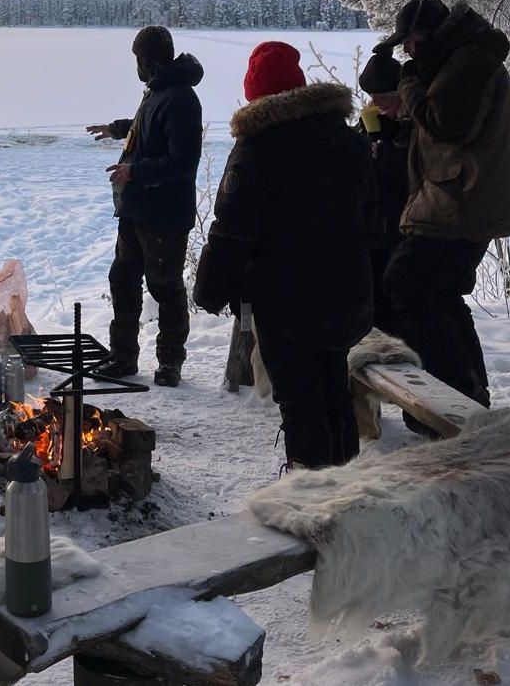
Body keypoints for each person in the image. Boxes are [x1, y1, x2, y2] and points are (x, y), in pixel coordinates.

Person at [194, 41, 374, 469]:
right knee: (333, 389)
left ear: (255, 94)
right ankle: (346, 488)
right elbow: (370, 212)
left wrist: (208, 290)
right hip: (347, 292)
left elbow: (231, 233)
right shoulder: (347, 141)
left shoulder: (257, 153)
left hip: (290, 302)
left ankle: (312, 499)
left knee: (300, 402)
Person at [380, 0, 510, 410]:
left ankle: (447, 401)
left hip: (465, 200)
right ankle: (467, 396)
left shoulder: (469, 61)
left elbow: (448, 123)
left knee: (406, 285)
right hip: (464, 197)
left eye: (409, 42)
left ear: (428, 36)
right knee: (440, 293)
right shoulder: (462, 58)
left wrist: (409, 84)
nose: (407, 52)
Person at [86, 26, 203, 387]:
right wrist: (117, 128)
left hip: (164, 216)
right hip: (136, 210)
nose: (135, 66)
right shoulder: (158, 91)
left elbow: (183, 163)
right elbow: (146, 126)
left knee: (164, 286)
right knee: (122, 280)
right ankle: (123, 358)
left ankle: (170, 363)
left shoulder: (181, 98)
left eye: (137, 60)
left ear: (149, 62)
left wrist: (134, 171)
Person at [357, 47, 411, 334]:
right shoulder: (370, 122)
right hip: (373, 225)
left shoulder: (413, 124)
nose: (378, 104)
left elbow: (414, 171)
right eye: (374, 98)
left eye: (386, 98)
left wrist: (386, 153)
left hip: (399, 224)